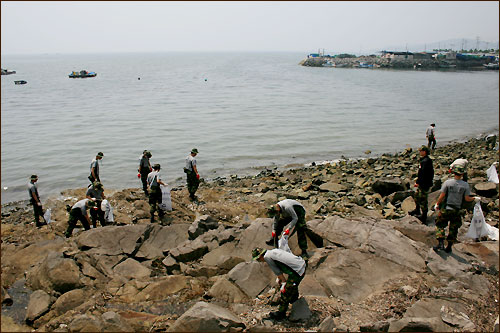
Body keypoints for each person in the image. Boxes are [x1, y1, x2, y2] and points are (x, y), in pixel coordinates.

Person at [433, 165, 480, 253]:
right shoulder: (465, 185)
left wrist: (437, 204)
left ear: (453, 173)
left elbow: (442, 196)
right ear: (462, 174)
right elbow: (467, 199)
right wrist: (474, 198)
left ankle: (440, 243)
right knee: (453, 228)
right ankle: (449, 246)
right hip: (457, 210)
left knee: (440, 225)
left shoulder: (448, 183)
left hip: (446, 208)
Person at [252, 247, 306, 321]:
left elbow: (277, 271)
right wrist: (280, 279)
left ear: (261, 256)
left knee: (285, 292)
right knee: (292, 286)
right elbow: (281, 264)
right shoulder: (273, 251)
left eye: (258, 259)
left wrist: (283, 283)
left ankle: (281, 314)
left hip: (297, 271)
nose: (260, 261)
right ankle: (295, 301)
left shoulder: (267, 257)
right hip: (301, 264)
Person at [409, 146, 434, 223]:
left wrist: (418, 182)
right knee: (416, 196)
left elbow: (423, 174)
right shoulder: (425, 160)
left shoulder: (426, 161)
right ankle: (417, 210)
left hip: (424, 183)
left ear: (424, 152)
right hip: (423, 182)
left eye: (421, 151)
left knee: (423, 199)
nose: (419, 152)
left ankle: (424, 216)